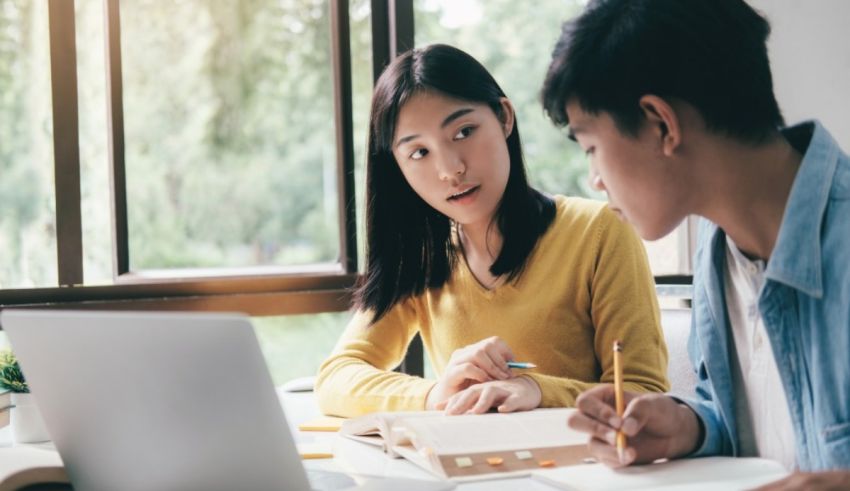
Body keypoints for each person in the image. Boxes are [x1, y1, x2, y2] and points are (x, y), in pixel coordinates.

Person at [541, 0, 850, 488]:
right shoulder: (717, 246)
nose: (595, 180)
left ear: (661, 124)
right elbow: (754, 414)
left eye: (592, 148)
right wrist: (686, 425)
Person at [315, 44, 669, 418]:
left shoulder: (599, 231)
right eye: (419, 153)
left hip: (579, 468)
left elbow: (646, 395)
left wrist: (537, 389)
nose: (450, 169)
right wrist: (435, 393)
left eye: (463, 131)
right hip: (468, 471)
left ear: (503, 117)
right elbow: (336, 379)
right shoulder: (423, 258)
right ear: (398, 168)